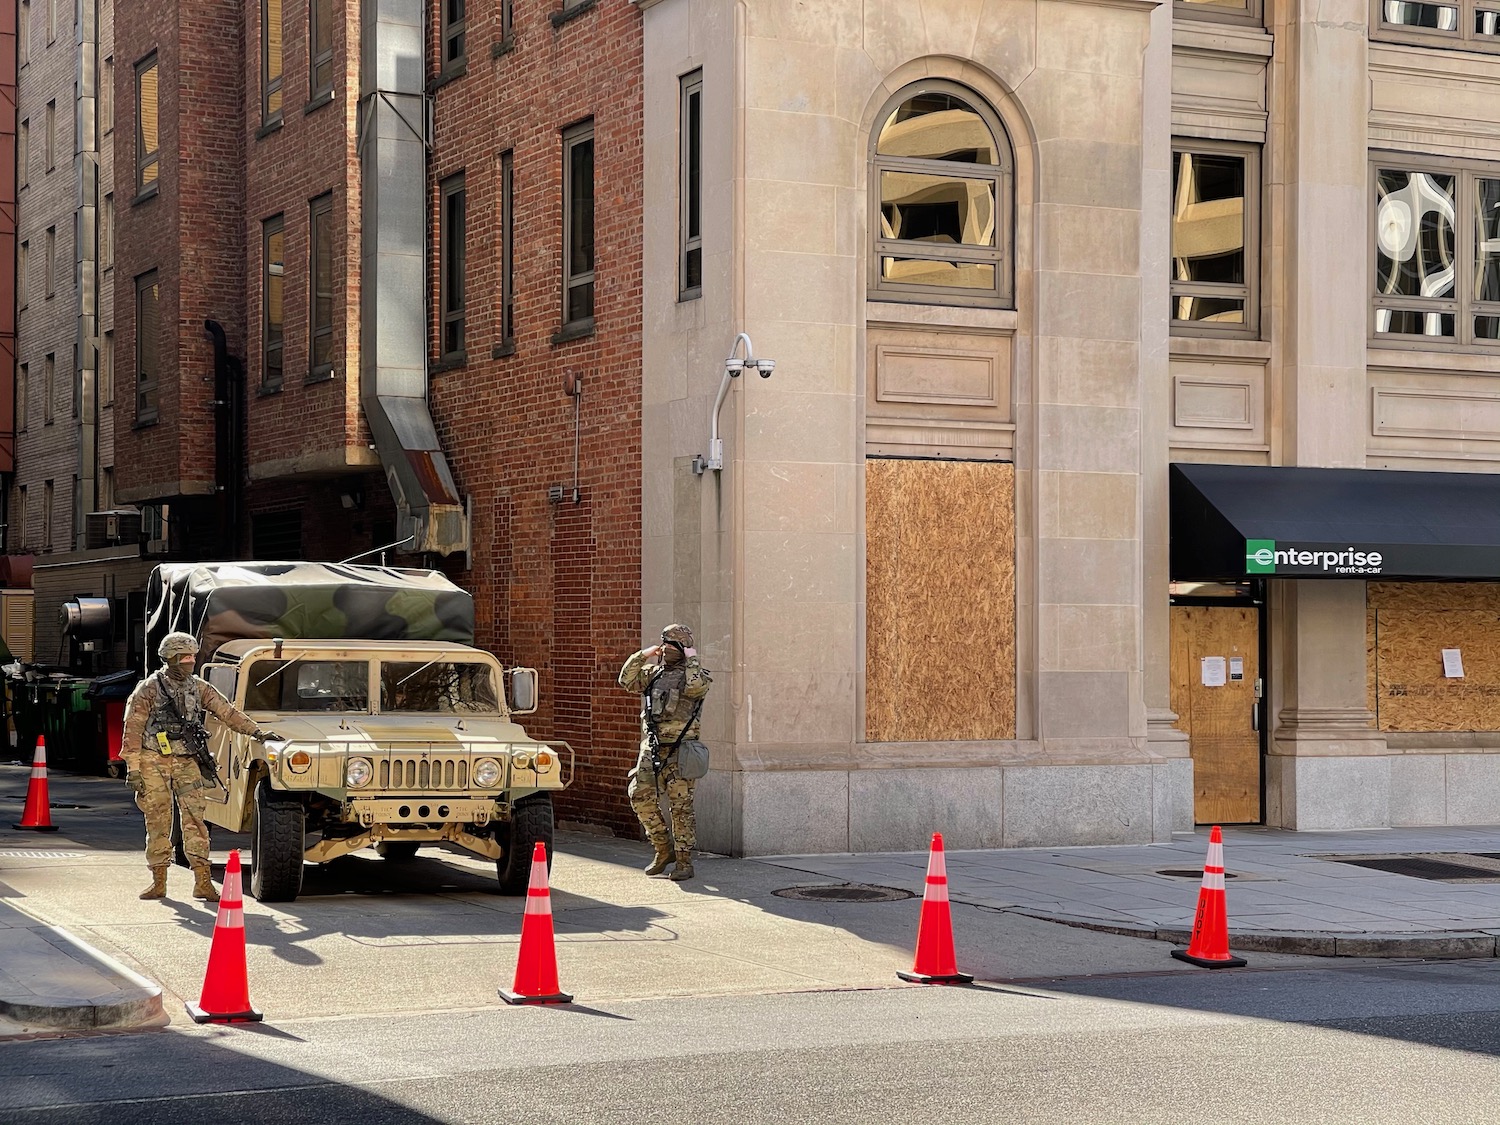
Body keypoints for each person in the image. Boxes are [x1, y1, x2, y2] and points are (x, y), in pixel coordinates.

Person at [122, 632, 278, 902]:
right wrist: (133, 769)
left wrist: (258, 732)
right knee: (158, 821)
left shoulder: (199, 687)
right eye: (185, 657)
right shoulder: (148, 688)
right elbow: (133, 729)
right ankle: (158, 880)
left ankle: (202, 882)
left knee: (195, 820)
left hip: (187, 761)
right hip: (153, 759)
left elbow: (226, 712)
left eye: (193, 657)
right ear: (170, 658)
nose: (190, 662)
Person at [619, 624, 711, 881]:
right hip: (652, 747)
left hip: (681, 751)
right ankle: (663, 849)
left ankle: (684, 861)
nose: (666, 650)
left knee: (680, 807)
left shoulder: (696, 674)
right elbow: (626, 680)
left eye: (673, 646)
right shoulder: (653, 674)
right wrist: (643, 655)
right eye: (665, 645)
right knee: (639, 796)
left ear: (683, 649)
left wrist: (692, 658)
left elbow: (695, 688)